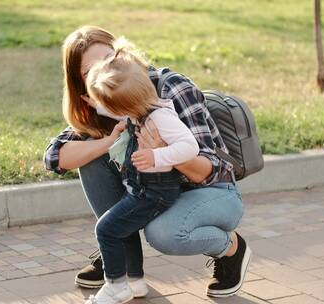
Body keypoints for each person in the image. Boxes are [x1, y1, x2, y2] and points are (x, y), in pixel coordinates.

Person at [44, 25, 251, 298]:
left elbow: (208, 170)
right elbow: (55, 157)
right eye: (89, 72)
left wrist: (163, 151)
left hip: (210, 192)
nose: (104, 72)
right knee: (91, 156)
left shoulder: (169, 89)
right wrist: (108, 141)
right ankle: (124, 266)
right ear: (82, 84)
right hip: (155, 191)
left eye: (109, 59)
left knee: (163, 233)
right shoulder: (105, 100)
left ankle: (232, 248)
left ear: (122, 54)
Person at [84, 39, 199, 304]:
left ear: (125, 107)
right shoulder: (141, 108)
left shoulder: (161, 117)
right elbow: (115, 109)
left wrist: (157, 154)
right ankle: (131, 283)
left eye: (109, 107)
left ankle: (116, 286)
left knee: (107, 229)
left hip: (154, 192)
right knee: (115, 228)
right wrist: (96, 102)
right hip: (143, 189)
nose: (108, 111)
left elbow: (189, 147)